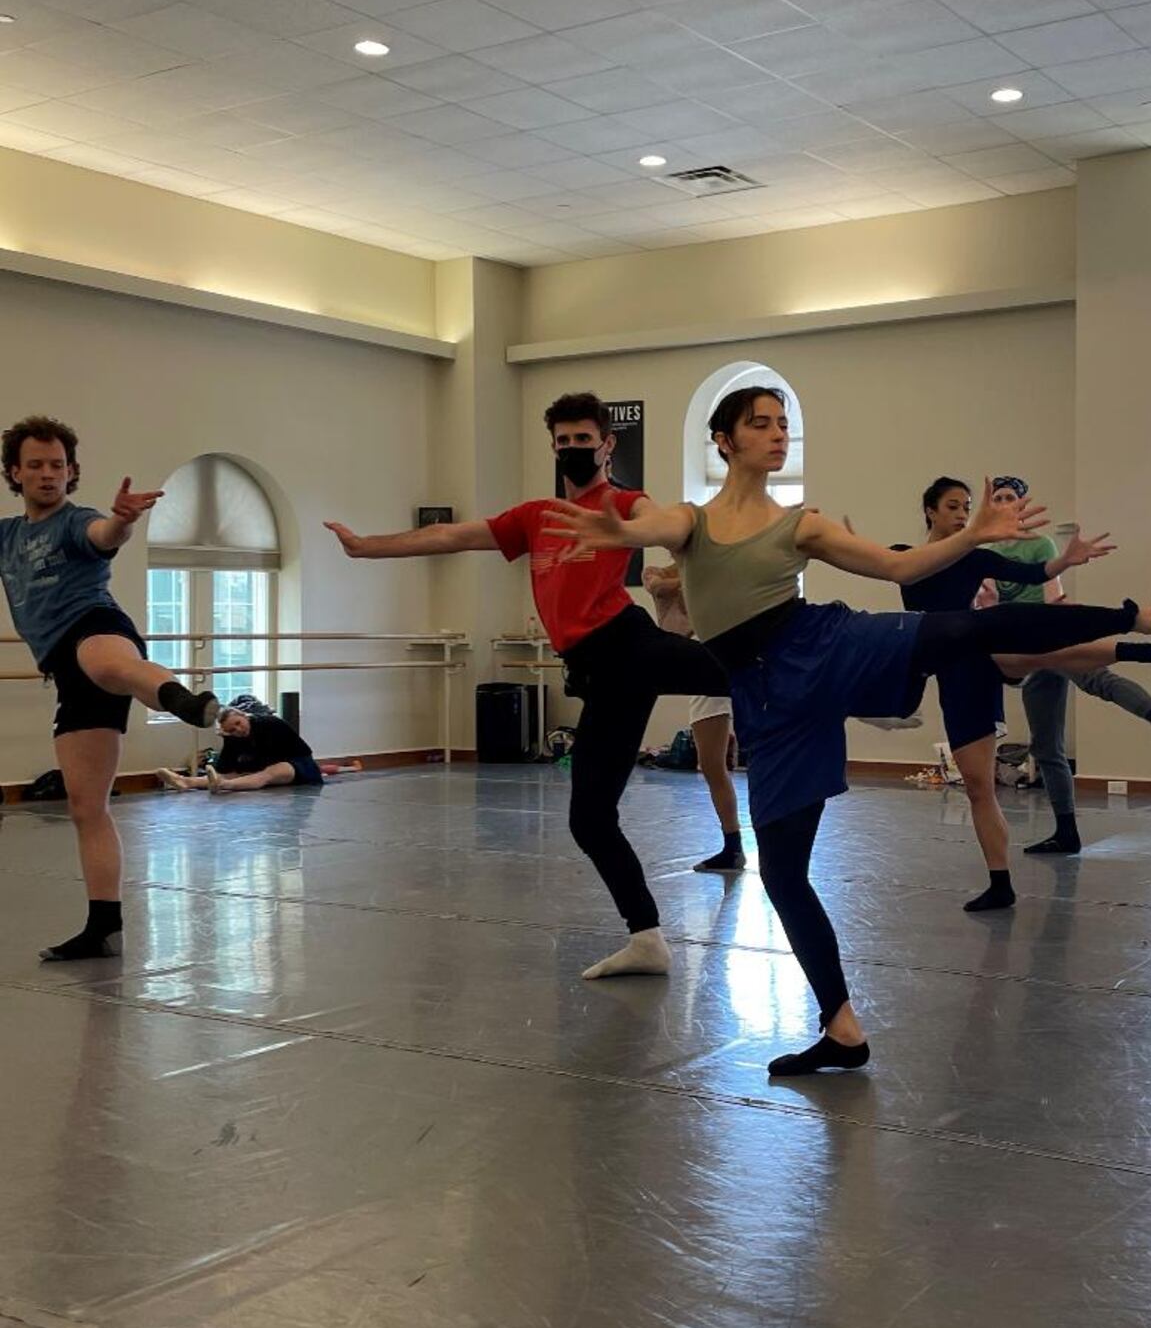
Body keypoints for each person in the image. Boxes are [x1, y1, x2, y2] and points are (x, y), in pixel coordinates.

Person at [546, 384, 1151, 1076]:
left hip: (823, 646)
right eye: (761, 423)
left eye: (784, 422)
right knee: (783, 874)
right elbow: (652, 528)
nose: (777, 433)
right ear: (724, 441)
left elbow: (899, 566)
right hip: (769, 701)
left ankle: (1149, 618)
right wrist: (620, 530)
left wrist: (969, 537)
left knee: (971, 629)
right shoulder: (693, 519)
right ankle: (842, 1029)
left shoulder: (801, 524)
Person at [327, 392, 729, 980]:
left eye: (584, 440)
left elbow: (663, 522)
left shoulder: (621, 501)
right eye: (563, 442)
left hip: (629, 644)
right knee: (589, 819)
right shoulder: (536, 516)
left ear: (607, 444)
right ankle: (647, 938)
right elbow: (453, 538)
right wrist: (367, 549)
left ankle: (865, 691)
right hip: (601, 676)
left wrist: (642, 532)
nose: (573, 450)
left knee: (739, 671)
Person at [0, 414, 222, 964]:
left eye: (58, 465)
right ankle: (104, 928)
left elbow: (105, 536)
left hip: (95, 626)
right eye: (37, 465)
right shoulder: (7, 535)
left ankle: (182, 699)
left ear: (71, 472)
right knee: (85, 806)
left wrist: (122, 522)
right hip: (64, 669)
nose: (48, 474)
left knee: (107, 661)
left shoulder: (78, 522)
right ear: (15, 473)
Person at [891, 476, 1125, 912]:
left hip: (970, 664)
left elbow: (1033, 572)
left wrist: (1066, 560)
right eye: (954, 507)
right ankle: (1001, 885)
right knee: (977, 784)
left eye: (966, 507)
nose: (963, 514)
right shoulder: (908, 557)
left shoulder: (975, 558)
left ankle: (1000, 882)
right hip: (927, 659)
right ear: (930, 511)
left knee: (981, 785)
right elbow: (883, 566)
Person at [983, 474, 1151, 856]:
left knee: (1098, 678)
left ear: (1020, 505)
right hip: (1020, 649)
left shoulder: (1040, 544)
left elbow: (1053, 594)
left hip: (1047, 634)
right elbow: (986, 603)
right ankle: (1066, 831)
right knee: (1046, 746)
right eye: (996, 497)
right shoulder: (986, 550)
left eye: (1009, 497)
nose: (1002, 502)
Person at [642, 560, 744, 871]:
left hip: (710, 663)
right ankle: (733, 845)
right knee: (711, 766)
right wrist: (692, 578)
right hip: (696, 665)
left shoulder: (705, 571)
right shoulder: (661, 572)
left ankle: (734, 846)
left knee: (713, 766)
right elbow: (655, 584)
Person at [156, 705, 333, 793]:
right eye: (232, 730)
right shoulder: (233, 738)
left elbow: (281, 755)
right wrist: (228, 741)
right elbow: (225, 768)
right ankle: (186, 781)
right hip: (264, 766)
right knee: (232, 774)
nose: (238, 730)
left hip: (299, 765)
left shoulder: (269, 723)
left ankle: (225, 786)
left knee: (272, 771)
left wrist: (237, 774)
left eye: (238, 724)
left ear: (244, 716)